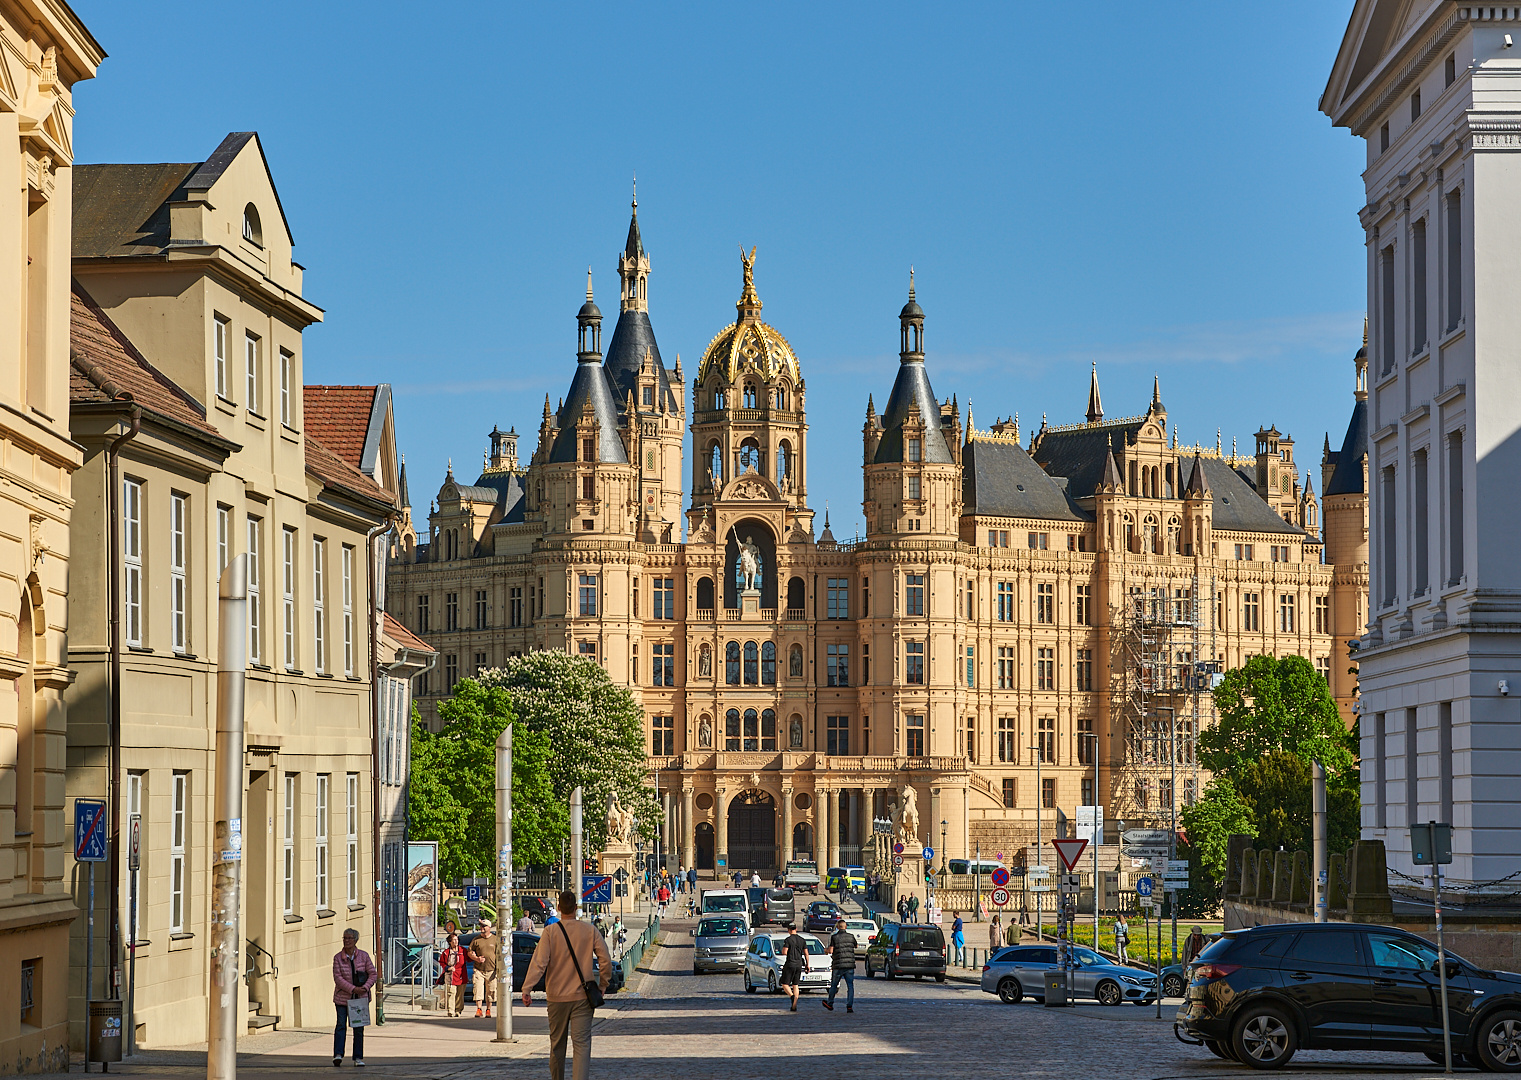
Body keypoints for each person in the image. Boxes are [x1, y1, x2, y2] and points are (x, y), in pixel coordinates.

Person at [521, 890, 612, 1080]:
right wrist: (603, 984)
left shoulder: (550, 932)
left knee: (557, 1045)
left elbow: (539, 963)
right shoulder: (590, 930)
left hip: (556, 997)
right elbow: (605, 960)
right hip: (583, 998)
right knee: (582, 1044)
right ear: (577, 908)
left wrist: (527, 988)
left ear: (559, 907)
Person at [332, 928, 376, 1068]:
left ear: (356, 940)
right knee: (340, 1026)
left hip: (360, 999)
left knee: (358, 1028)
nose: (347, 941)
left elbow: (372, 974)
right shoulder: (338, 957)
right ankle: (338, 1055)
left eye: (350, 938)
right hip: (342, 998)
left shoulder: (363, 956)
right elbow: (337, 978)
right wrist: (352, 988)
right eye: (345, 938)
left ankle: (358, 1057)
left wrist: (365, 987)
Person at [822, 918, 856, 1013]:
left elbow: (831, 950)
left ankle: (830, 1003)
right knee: (850, 986)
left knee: (834, 985)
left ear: (837, 927)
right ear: (846, 927)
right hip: (849, 965)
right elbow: (855, 945)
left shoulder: (835, 937)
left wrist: (826, 950)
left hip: (838, 965)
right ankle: (849, 1005)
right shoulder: (851, 936)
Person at [469, 920, 499, 1018]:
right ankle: (479, 1009)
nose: (482, 928)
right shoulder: (476, 940)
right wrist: (476, 958)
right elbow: (469, 952)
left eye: (484, 926)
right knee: (478, 989)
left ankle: (488, 1010)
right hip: (479, 969)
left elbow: (499, 954)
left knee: (491, 990)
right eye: (481, 926)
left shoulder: (495, 939)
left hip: (492, 970)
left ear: (489, 927)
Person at [778, 922, 808, 1012]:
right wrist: (807, 964)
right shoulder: (802, 940)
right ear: (796, 929)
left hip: (790, 963)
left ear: (789, 930)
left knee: (785, 984)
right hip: (799, 964)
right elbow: (806, 953)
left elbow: (784, 952)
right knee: (796, 985)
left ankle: (792, 997)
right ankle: (795, 1001)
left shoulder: (788, 940)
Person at [437, 932, 468, 1017]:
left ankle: (458, 1010)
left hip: (461, 975)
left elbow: (469, 958)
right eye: (453, 940)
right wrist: (447, 968)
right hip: (450, 976)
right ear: (450, 942)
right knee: (451, 993)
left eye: (457, 939)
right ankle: (451, 1010)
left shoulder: (463, 950)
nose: (455, 941)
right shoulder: (446, 952)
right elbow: (442, 962)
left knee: (460, 995)